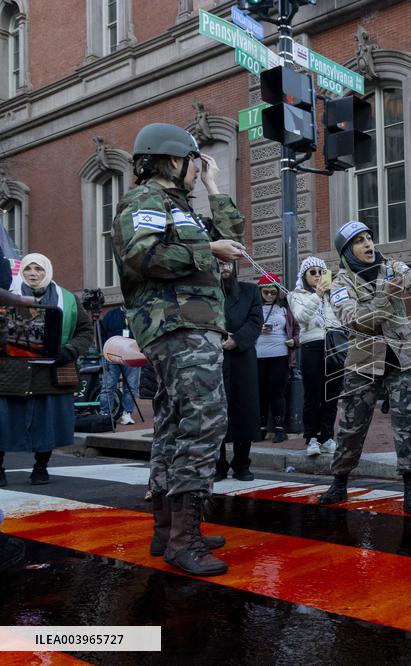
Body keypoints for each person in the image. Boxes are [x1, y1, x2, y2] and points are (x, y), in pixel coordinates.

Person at [112, 123, 245, 577]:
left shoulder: (179, 206)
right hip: (177, 324)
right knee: (205, 422)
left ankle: (168, 529)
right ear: (173, 160)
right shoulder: (145, 200)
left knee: (173, 424)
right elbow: (143, 257)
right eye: (194, 162)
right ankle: (183, 540)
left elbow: (233, 237)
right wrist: (207, 251)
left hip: (192, 324)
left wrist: (213, 187)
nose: (197, 169)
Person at [319, 221, 411, 514]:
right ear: (347, 250)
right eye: (359, 241)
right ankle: (339, 482)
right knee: (351, 427)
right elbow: (354, 319)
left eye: (369, 238)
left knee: (407, 426)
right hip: (363, 363)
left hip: (403, 358)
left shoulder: (390, 267)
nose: (368, 244)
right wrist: (383, 294)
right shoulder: (340, 284)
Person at [0, 253, 93, 487]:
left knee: (47, 423)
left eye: (38, 269)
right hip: (11, 374)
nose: (33, 273)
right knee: (4, 423)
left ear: (48, 271)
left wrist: (70, 351)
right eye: (28, 269)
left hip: (51, 373)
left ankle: (40, 467)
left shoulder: (68, 299)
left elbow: (85, 331)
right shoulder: (7, 295)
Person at [288, 256, 346, 458]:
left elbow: (343, 318)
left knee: (332, 395)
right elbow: (301, 317)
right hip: (312, 346)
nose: (317, 275)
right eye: (312, 272)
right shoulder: (296, 295)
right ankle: (311, 437)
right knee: (313, 395)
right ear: (304, 275)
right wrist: (317, 295)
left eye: (321, 272)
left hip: (334, 346)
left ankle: (327, 436)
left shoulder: (333, 295)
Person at [215, 261, 262, 482]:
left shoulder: (250, 291)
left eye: (227, 264)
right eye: (219, 264)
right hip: (214, 357)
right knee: (216, 411)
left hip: (243, 357)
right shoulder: (207, 293)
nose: (224, 268)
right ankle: (218, 464)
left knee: (245, 409)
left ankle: (242, 464)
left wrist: (237, 339)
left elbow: (255, 321)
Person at [255, 273, 299, 444]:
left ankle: (280, 429)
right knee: (260, 392)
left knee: (277, 392)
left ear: (278, 292)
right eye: (266, 292)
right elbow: (245, 327)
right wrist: (258, 329)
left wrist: (293, 341)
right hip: (258, 355)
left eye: (273, 292)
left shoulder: (285, 309)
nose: (269, 295)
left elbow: (297, 330)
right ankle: (261, 428)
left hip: (280, 355)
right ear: (260, 292)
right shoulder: (254, 308)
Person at [98, 304, 141, 425]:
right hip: (112, 354)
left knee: (131, 386)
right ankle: (105, 413)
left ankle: (127, 413)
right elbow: (101, 333)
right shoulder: (111, 315)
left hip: (132, 355)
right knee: (108, 385)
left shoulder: (138, 314)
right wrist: (103, 351)